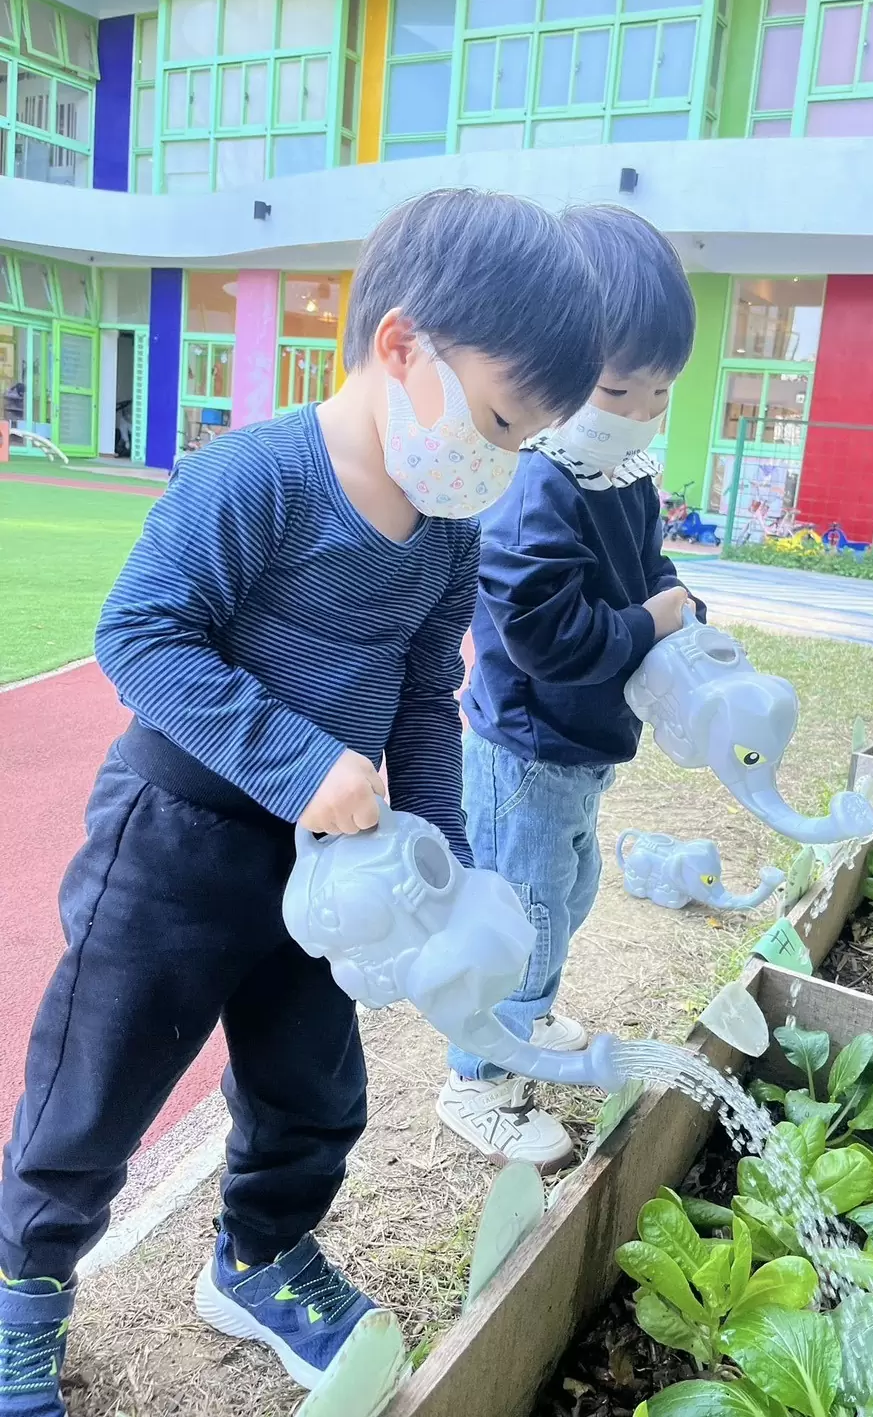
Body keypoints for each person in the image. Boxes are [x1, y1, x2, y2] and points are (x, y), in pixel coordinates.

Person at [0, 188, 605, 1416]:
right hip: (173, 845)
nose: (500, 462)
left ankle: (261, 1256)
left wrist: (445, 864)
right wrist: (298, 761)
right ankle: (23, 1293)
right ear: (401, 346)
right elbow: (140, 636)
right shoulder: (258, 477)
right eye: (499, 421)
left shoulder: (446, 529)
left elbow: (424, 699)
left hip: (337, 873)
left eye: (527, 441)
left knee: (314, 1091)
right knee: (93, 1091)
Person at [437, 204, 703, 1171]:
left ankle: (528, 1013)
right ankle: (479, 1079)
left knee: (569, 893)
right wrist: (649, 624)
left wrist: (683, 612)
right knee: (523, 919)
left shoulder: (619, 471)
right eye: (616, 388)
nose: (639, 410)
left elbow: (651, 572)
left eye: (659, 391)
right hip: (525, 749)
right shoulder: (535, 480)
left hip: (580, 748)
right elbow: (544, 633)